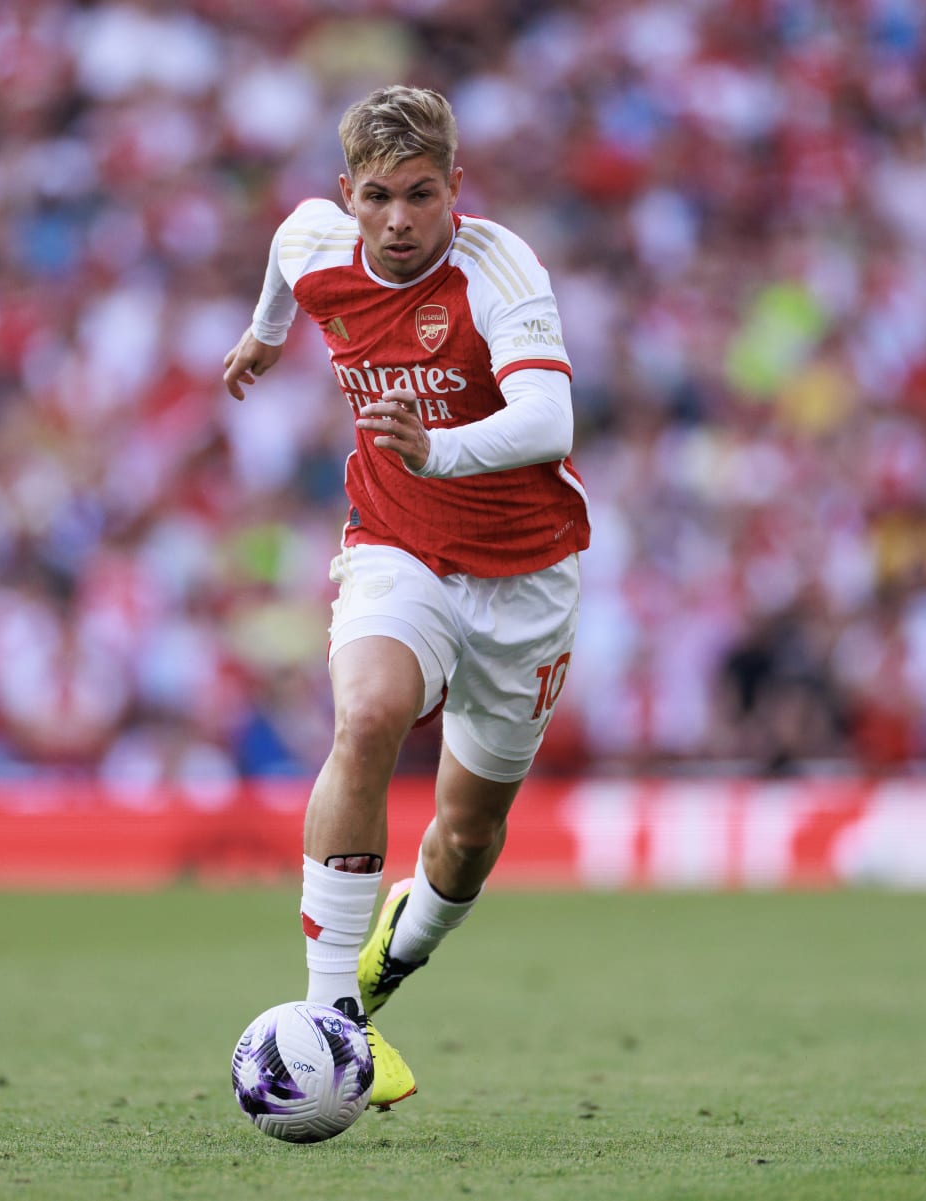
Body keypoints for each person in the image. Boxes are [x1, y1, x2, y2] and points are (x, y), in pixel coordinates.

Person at [221, 84, 589, 1109]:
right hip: (398, 548)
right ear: (349, 194)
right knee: (371, 711)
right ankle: (334, 1013)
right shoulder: (315, 240)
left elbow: (549, 419)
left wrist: (438, 449)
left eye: (421, 194)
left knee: (467, 838)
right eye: (377, 196)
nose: (397, 219)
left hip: (526, 580)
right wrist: (261, 337)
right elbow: (284, 265)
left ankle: (396, 953)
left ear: (455, 190)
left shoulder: (498, 267)